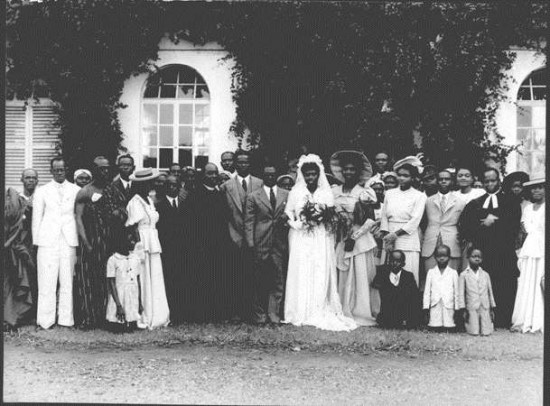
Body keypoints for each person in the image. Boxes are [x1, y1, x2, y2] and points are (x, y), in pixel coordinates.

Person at [283, 154, 357, 331]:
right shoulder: (296, 192)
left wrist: (321, 216)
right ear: (302, 175)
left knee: (319, 269)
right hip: (301, 235)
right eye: (307, 174)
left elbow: (332, 216)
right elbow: (288, 213)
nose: (310, 178)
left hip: (321, 235)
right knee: (302, 269)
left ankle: (318, 307)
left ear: (318, 175)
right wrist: (298, 223)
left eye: (313, 174)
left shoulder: (326, 192)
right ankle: (300, 311)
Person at [459, 167, 521, 328]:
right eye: (486, 181)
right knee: (484, 284)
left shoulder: (511, 201)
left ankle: (504, 318)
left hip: (504, 250)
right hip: (483, 250)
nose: (489, 183)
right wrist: (485, 223)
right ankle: (485, 318)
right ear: (482, 182)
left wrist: (495, 222)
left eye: (492, 180)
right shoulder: (475, 203)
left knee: (505, 283)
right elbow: (465, 226)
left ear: (499, 181)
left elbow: (513, 226)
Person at [330, 150, 379, 325]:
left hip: (359, 239)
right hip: (340, 236)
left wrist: (354, 236)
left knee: (359, 275)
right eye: (346, 169)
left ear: (358, 172)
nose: (349, 173)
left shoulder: (364, 192)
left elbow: (371, 219)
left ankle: (360, 311)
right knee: (342, 273)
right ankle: (342, 307)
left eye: (352, 170)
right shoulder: (334, 191)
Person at [32, 157, 80, 329]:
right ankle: (45, 320)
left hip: (68, 239)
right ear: (51, 171)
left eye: (62, 169)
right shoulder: (42, 191)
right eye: (56, 170)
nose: (59, 172)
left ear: (66, 170)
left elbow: (77, 216)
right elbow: (36, 218)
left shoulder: (75, 190)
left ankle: (66, 320)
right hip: (47, 240)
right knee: (46, 281)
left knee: (67, 281)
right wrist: (36, 242)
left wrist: (77, 240)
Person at [183, 163, 235, 321]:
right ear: (203, 174)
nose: (213, 177)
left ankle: (218, 312)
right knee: (202, 279)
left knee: (219, 279)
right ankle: (203, 313)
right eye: (210, 173)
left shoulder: (220, 193)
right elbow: (190, 222)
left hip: (219, 245)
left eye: (215, 174)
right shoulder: (195, 194)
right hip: (201, 245)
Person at [220, 150, 263, 321]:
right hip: (235, 238)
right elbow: (224, 216)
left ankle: (254, 311)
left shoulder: (260, 184)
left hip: (257, 238)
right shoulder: (226, 186)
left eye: (246, 162)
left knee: (256, 277)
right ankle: (237, 311)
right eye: (240, 162)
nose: (243, 165)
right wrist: (234, 236)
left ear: (250, 164)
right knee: (236, 276)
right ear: (235, 164)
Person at [244, 165, 290, 325]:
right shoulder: (253, 196)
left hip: (279, 243)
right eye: (267, 175)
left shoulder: (286, 195)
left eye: (273, 175)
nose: (270, 177)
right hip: (260, 241)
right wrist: (250, 242)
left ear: (276, 176)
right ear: (263, 176)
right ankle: (259, 314)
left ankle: (273, 313)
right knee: (259, 279)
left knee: (278, 279)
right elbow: (249, 221)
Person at [126, 168, 170, 329]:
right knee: (144, 278)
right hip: (142, 242)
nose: (152, 185)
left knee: (155, 276)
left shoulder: (149, 200)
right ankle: (145, 315)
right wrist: (139, 248)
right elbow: (132, 227)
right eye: (148, 183)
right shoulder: (135, 202)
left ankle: (158, 314)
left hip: (153, 241)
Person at [73, 156, 112, 330]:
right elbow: (79, 219)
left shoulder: (110, 189)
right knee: (87, 279)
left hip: (107, 239)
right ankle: (89, 318)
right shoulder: (85, 192)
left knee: (106, 278)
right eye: (101, 169)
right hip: (89, 238)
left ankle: (105, 316)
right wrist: (86, 243)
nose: (105, 171)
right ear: (94, 170)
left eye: (107, 168)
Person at [380, 164, 427, 286]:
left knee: (408, 272)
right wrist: (387, 237)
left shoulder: (419, 196)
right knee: (388, 274)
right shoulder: (389, 193)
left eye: (405, 176)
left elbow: (415, 220)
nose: (401, 178)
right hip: (389, 237)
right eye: (399, 175)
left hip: (407, 238)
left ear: (413, 178)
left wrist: (395, 235)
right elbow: (384, 215)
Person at [511, 178, 545, 333]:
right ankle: (524, 319)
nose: (536, 191)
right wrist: (519, 251)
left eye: (540, 188)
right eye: (533, 188)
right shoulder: (527, 209)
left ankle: (539, 321)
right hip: (528, 249)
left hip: (542, 249)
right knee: (527, 282)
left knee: (540, 281)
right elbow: (522, 232)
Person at [155, 175, 186, 324]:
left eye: (175, 185)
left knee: (182, 280)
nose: (172, 188)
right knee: (168, 281)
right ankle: (170, 313)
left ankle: (181, 312)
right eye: (169, 185)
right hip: (166, 249)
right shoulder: (158, 205)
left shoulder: (185, 203)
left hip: (183, 249)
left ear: (180, 187)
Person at [421, 170, 466, 274]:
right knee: (431, 275)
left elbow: (463, 225)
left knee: (451, 276)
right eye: (441, 179)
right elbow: (423, 223)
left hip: (452, 241)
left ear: (452, 181)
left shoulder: (460, 202)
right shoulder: (428, 201)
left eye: (447, 179)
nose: (443, 181)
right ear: (437, 181)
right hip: (431, 241)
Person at [4, 188, 36, 332]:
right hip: (10, 247)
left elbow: (20, 228)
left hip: (19, 246)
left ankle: (13, 317)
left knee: (16, 282)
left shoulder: (22, 204)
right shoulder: (10, 203)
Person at [105, 230, 144, 333]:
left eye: (133, 240)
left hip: (132, 295)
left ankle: (130, 322)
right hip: (119, 297)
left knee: (131, 327)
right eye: (130, 240)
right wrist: (118, 305)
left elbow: (138, 281)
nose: (133, 243)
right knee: (118, 327)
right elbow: (111, 283)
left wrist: (140, 302)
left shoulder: (136, 259)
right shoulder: (113, 260)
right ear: (121, 241)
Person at [373, 250, 420, 329]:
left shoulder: (408, 276)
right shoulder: (383, 272)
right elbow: (375, 285)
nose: (394, 263)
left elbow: (414, 296)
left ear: (403, 264)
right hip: (386, 311)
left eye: (398, 261)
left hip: (402, 311)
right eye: (392, 260)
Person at [99, 154, 135, 257]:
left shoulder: (140, 186)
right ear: (118, 167)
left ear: (133, 167)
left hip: (137, 233)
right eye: (122, 165)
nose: (125, 167)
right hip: (119, 234)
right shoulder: (111, 187)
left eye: (128, 165)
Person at [458, 247, 496, 336]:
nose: (477, 259)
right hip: (472, 306)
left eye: (479, 257)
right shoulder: (464, 275)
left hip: (484, 305)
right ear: (468, 257)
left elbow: (490, 291)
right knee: (473, 331)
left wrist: (492, 306)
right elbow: (461, 293)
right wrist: (463, 308)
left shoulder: (486, 274)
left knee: (486, 331)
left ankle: (486, 327)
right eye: (474, 256)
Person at [423, 245, 459, 330]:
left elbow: (456, 292)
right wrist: (425, 307)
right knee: (435, 325)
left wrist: (457, 308)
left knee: (449, 326)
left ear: (449, 257)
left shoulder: (453, 273)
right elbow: (427, 292)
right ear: (435, 257)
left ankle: (449, 324)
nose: (442, 258)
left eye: (445, 256)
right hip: (435, 303)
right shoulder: (431, 272)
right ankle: (435, 324)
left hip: (448, 304)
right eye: (439, 256)